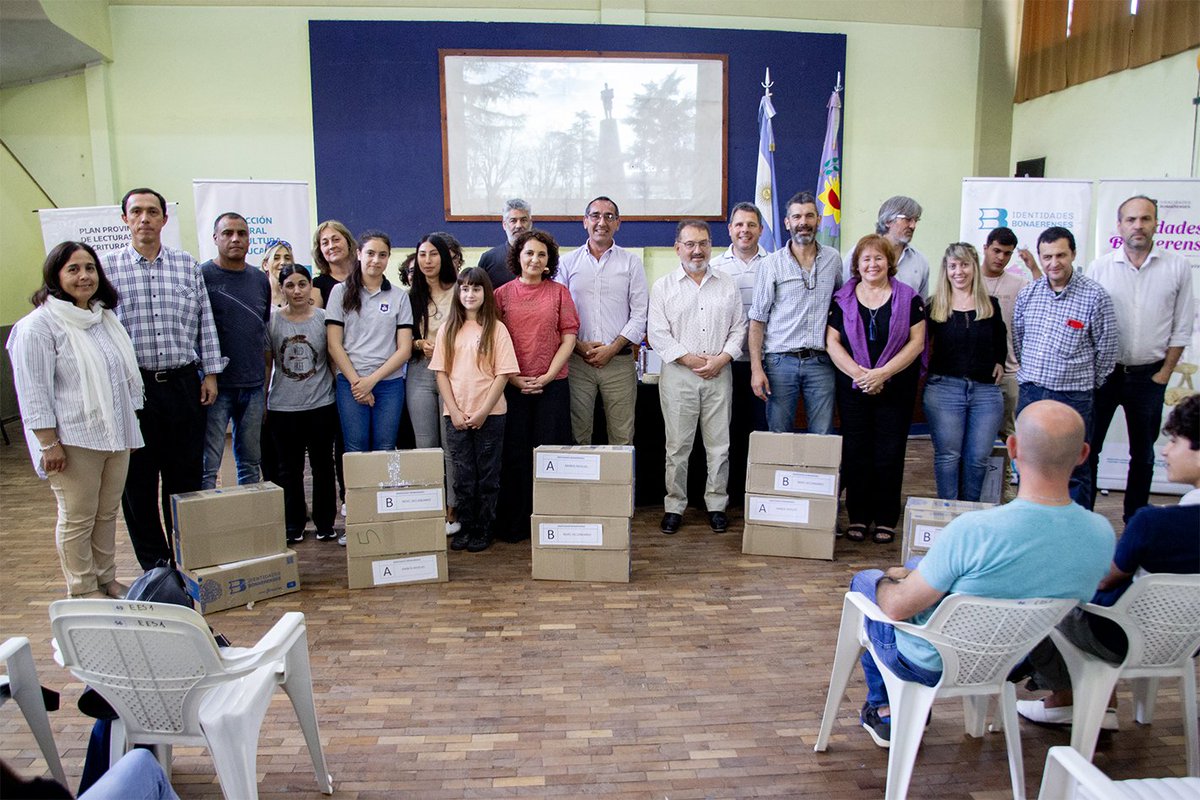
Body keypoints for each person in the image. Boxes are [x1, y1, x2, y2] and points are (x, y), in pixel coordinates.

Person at [849, 400, 1114, 748]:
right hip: (1012, 659)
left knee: (866, 582)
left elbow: (897, 608)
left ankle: (886, 710)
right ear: (1083, 454)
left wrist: (885, 579)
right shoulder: (1101, 534)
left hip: (932, 662)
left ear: (1012, 448)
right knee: (918, 568)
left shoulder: (974, 530)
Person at [1015, 393, 1200, 728]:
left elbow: (1103, 579)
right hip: (1187, 642)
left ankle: (1067, 696)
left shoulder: (1154, 523)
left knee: (1034, 594)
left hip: (1119, 637)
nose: (1165, 451)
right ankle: (1085, 697)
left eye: (1175, 441)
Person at [7, 242, 144, 598]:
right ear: (55, 276)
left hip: (115, 435)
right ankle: (82, 588)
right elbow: (33, 391)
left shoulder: (102, 319)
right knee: (77, 517)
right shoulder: (37, 326)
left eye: (90, 268)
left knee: (106, 514)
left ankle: (106, 579)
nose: (84, 276)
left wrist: (128, 429)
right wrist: (48, 443)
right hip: (72, 440)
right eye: (73, 269)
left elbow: (120, 380)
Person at [103, 187, 224, 570]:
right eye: (136, 212)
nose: (145, 219)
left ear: (164, 219)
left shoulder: (186, 265)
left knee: (184, 476)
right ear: (125, 219)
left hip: (183, 384)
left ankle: (187, 556)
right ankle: (155, 566)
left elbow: (205, 318)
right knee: (138, 481)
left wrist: (210, 373)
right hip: (132, 389)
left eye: (152, 212)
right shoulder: (107, 268)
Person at [1083, 195, 1196, 520]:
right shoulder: (1100, 267)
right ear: (1119, 226)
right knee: (1090, 449)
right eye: (1131, 219)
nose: (1138, 226)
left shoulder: (1176, 267)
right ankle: (1085, 518)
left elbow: (1182, 325)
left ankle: (1135, 520)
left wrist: (1165, 374)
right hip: (1106, 375)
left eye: (1145, 219)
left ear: (1156, 223)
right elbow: (1089, 323)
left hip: (1150, 376)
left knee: (1143, 455)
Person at [648, 220, 746, 535]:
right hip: (679, 375)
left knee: (719, 446)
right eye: (689, 244)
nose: (697, 250)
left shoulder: (727, 284)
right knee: (677, 447)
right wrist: (690, 360)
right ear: (677, 248)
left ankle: (716, 505)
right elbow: (657, 334)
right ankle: (674, 506)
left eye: (703, 243)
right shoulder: (663, 287)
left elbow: (739, 327)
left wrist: (722, 359)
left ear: (710, 246)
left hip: (719, 373)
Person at [827, 234, 926, 543]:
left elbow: (917, 343)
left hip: (895, 388)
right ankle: (858, 516)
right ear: (857, 264)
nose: (873, 264)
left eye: (878, 258)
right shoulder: (842, 299)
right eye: (866, 259)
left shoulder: (909, 298)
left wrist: (882, 373)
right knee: (856, 451)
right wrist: (860, 375)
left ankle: (885, 518)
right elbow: (832, 342)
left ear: (889, 262)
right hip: (853, 388)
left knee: (889, 452)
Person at [1012, 226, 1118, 504]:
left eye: (1060, 255)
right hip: (1032, 392)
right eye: (1047, 257)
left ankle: (1076, 527)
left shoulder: (1095, 296)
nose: (1054, 263)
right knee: (1028, 462)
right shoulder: (1028, 294)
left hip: (1074, 396)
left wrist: (1086, 382)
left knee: (1075, 468)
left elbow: (1107, 351)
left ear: (1073, 254)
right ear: (1039, 257)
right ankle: (1031, 522)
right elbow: (1019, 340)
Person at [326, 230, 414, 545]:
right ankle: (359, 523)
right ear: (359, 255)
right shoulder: (340, 292)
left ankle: (384, 522)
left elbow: (404, 349)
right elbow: (334, 345)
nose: (376, 260)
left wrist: (371, 381)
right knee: (356, 451)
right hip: (350, 383)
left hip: (388, 384)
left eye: (382, 255)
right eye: (371, 253)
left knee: (385, 449)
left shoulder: (399, 297)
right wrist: (356, 383)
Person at [494, 229, 579, 540]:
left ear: (549, 261)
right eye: (529, 252)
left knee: (551, 455)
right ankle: (516, 523)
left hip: (552, 386)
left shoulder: (559, 293)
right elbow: (492, 342)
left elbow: (569, 338)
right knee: (515, 455)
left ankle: (552, 521)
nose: (535, 259)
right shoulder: (501, 295)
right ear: (518, 257)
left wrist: (547, 375)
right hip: (512, 386)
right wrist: (514, 378)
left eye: (541, 254)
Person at [430, 268, 520, 553]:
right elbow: (441, 373)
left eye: (476, 288)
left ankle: (484, 528)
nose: (470, 294)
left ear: (486, 293)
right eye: (465, 288)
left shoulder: (497, 329)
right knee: (463, 475)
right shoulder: (448, 329)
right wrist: (454, 411)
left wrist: (483, 411)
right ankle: (466, 526)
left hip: (490, 414)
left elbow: (503, 374)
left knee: (488, 475)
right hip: (455, 415)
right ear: (458, 292)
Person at [748, 191, 843, 434]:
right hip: (780, 362)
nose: (803, 222)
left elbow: (840, 307)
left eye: (809, 216)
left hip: (821, 362)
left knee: (823, 435)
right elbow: (757, 320)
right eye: (797, 217)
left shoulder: (833, 259)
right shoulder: (770, 264)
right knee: (779, 435)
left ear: (818, 220)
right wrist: (756, 369)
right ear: (787, 222)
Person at [556, 196, 648, 446]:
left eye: (609, 216)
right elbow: (558, 313)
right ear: (585, 221)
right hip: (577, 362)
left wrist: (612, 348)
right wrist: (578, 346)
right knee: (578, 436)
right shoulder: (566, 263)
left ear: (618, 223)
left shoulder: (631, 263)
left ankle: (621, 476)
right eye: (595, 216)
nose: (602, 222)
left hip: (619, 363)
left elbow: (640, 314)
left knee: (622, 436)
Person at [923, 242, 1007, 501]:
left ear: (974, 268)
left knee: (978, 457)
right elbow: (920, 346)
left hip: (985, 392)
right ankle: (948, 514)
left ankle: (970, 513)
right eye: (953, 266)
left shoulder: (990, 305)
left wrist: (999, 361)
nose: (958, 271)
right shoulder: (934, 306)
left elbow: (1000, 338)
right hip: (944, 389)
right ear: (946, 270)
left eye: (964, 265)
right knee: (948, 457)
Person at [199, 212, 272, 489]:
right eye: (228, 233)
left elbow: (261, 331)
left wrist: (264, 386)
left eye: (241, 233)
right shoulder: (202, 276)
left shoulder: (259, 279)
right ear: (215, 238)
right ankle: (205, 514)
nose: (235, 239)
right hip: (216, 387)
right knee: (208, 464)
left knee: (250, 462)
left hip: (253, 386)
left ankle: (249, 514)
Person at [267, 264, 338, 544]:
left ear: (310, 287)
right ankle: (294, 523)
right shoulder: (272, 321)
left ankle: (325, 523)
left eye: (302, 284)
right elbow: (268, 363)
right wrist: (263, 401)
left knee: (323, 466)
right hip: (283, 408)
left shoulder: (324, 318)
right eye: (290, 285)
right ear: (282, 289)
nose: (296, 291)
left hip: (321, 405)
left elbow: (332, 360)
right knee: (289, 469)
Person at [979, 226, 1039, 500]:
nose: (1001, 258)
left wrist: (1034, 267)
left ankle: (1011, 493)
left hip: (1009, 371)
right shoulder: (969, 278)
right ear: (985, 248)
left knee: (1011, 436)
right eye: (996, 251)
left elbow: (1044, 297)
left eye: (1007, 253)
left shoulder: (1019, 284)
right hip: (975, 374)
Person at [408, 234, 461, 535]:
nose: (427, 261)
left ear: (444, 257)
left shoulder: (459, 291)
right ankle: (430, 507)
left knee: (451, 444)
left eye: (433, 254)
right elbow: (400, 339)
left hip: (453, 373)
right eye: (422, 255)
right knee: (425, 445)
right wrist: (419, 343)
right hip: (420, 372)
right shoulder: (410, 296)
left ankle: (453, 509)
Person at [843, 195, 930, 298]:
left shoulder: (920, 261)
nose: (913, 226)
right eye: (907, 219)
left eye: (916, 220)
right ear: (888, 221)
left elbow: (921, 303)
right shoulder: (858, 254)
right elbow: (844, 296)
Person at [476, 198, 532, 290]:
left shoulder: (542, 257)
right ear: (504, 225)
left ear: (530, 223)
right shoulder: (489, 259)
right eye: (513, 221)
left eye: (523, 220)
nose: (518, 226)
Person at [311, 220, 356, 309]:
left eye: (336, 240)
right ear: (320, 251)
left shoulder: (366, 277)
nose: (331, 246)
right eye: (325, 243)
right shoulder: (316, 286)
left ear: (348, 242)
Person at [261, 239, 295, 308]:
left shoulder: (299, 294)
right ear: (265, 265)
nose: (283, 262)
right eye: (276, 258)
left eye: (287, 258)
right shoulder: (258, 296)